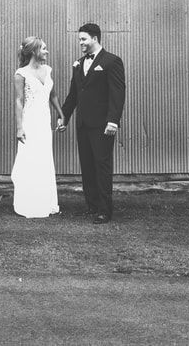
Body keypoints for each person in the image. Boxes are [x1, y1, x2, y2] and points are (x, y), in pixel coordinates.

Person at [58, 23, 126, 225]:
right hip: (83, 124)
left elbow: (117, 94)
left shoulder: (112, 61)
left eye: (83, 39)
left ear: (95, 39)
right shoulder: (78, 64)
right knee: (87, 166)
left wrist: (113, 121)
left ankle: (105, 210)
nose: (80, 43)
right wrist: (64, 117)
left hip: (103, 125)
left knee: (102, 165)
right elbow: (73, 95)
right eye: (80, 39)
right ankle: (93, 205)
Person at [11, 36, 64, 218]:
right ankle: (28, 203)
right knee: (30, 160)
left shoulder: (47, 70)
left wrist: (61, 113)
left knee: (44, 159)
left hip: (44, 121)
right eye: (43, 49)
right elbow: (19, 101)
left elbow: (53, 95)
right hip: (29, 122)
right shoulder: (21, 73)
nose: (47, 52)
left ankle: (45, 201)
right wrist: (19, 128)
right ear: (34, 51)